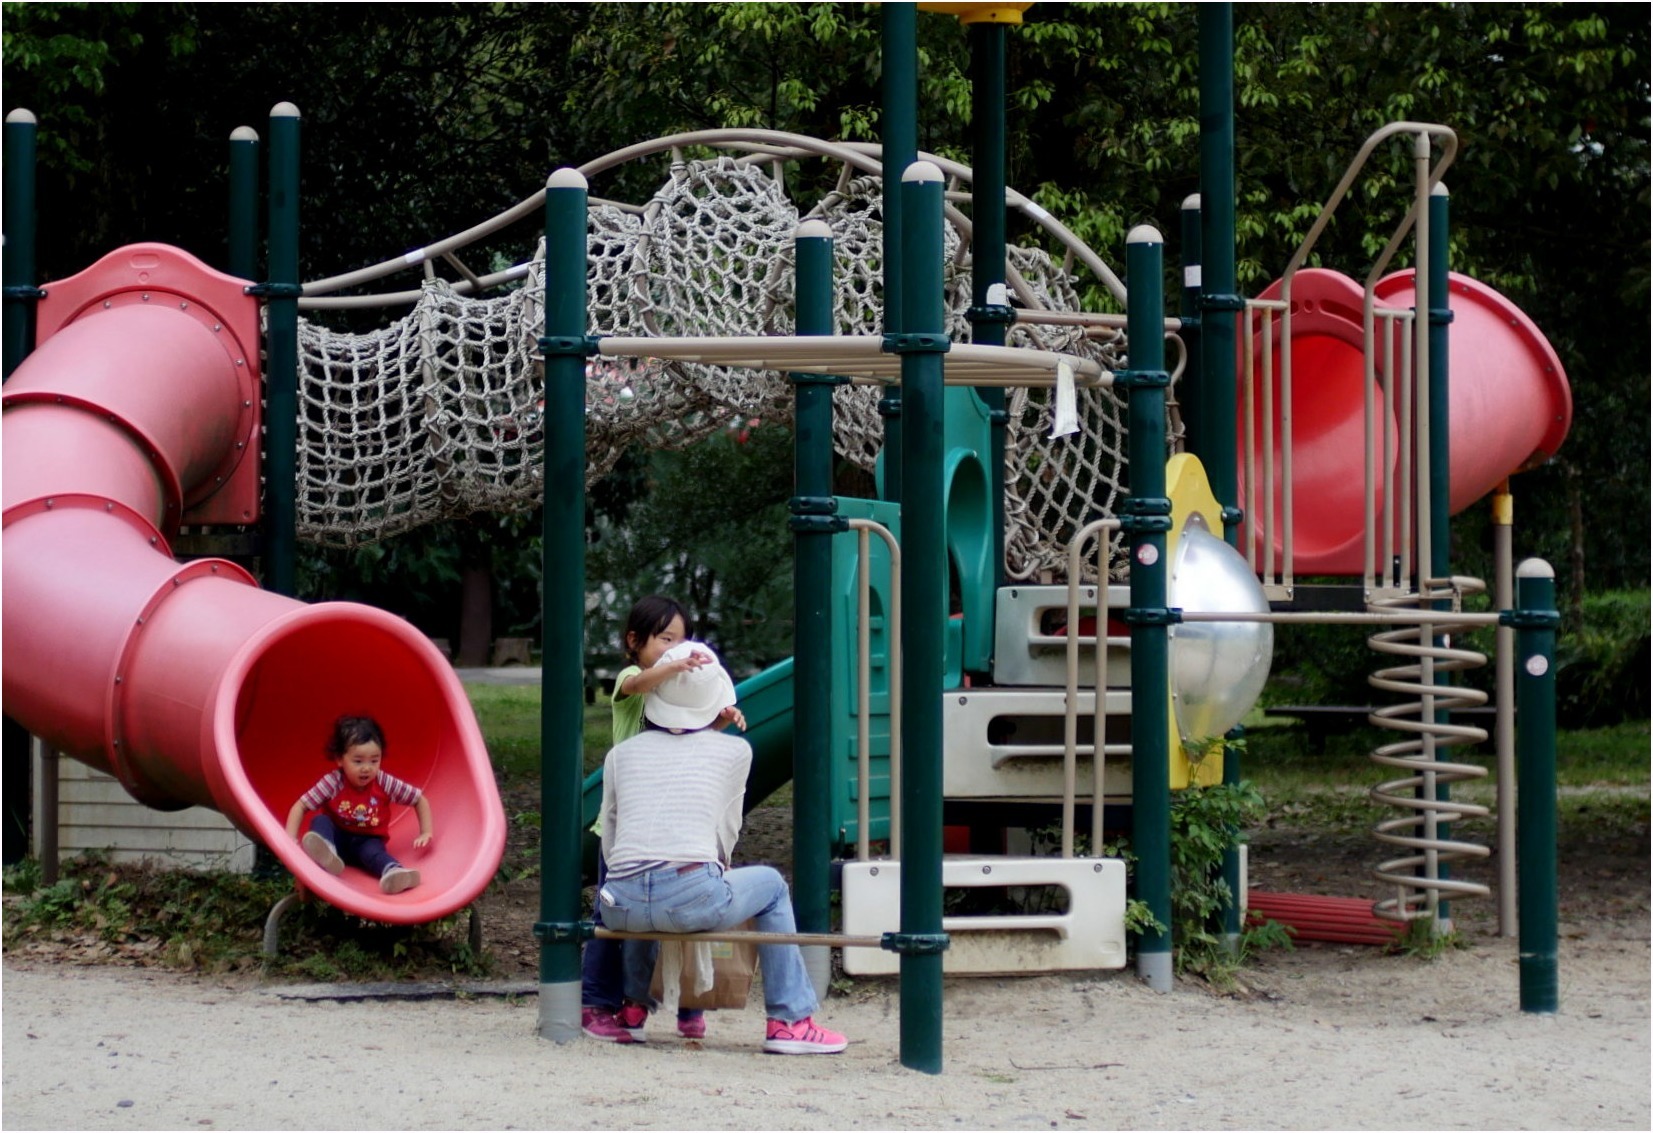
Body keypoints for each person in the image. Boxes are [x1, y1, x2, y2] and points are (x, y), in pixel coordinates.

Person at [597, 641, 848, 1055]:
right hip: (688, 898)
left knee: (642, 873)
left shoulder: (620, 754)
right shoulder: (735, 750)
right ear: (717, 702)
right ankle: (789, 1021)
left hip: (618, 903)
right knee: (771, 885)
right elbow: (725, 832)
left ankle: (632, 1011)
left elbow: (611, 834)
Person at [582, 596, 746, 1043]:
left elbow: (685, 735)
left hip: (671, 827)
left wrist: (718, 718)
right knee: (609, 916)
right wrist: (674, 668)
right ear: (635, 642)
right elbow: (639, 687)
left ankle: (667, 1005)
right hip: (626, 827)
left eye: (681, 640)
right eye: (665, 640)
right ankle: (596, 1002)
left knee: (669, 922)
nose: (675, 649)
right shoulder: (634, 679)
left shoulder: (670, 689)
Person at [284, 715, 432, 895]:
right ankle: (326, 851)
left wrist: (426, 832)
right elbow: (300, 806)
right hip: (336, 839)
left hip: (367, 840)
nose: (367, 768)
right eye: (358, 761)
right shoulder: (333, 782)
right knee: (321, 820)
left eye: (374, 760)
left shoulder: (383, 782)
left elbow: (418, 799)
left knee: (373, 853)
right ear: (340, 759)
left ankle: (393, 871)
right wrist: (290, 842)